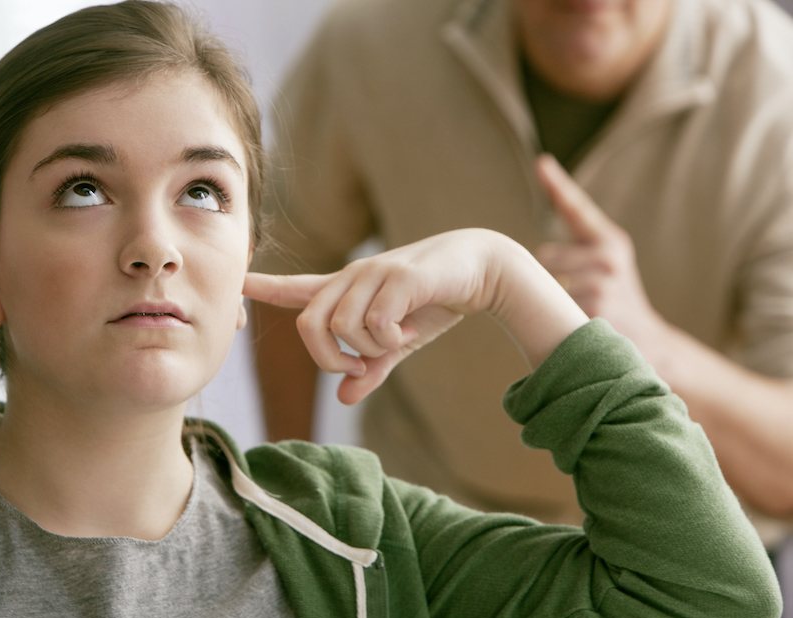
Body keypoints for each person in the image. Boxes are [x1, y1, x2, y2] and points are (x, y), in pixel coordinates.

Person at [0, 2, 781, 618]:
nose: (154, 246)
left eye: (202, 193)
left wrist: (507, 274)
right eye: (83, 189)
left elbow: (707, 593)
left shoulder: (357, 538)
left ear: (244, 272)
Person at [253, 0, 793, 553]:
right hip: (420, 537)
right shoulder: (366, 40)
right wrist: (294, 500)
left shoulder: (780, 96)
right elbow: (286, 257)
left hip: (675, 571)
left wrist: (654, 347)